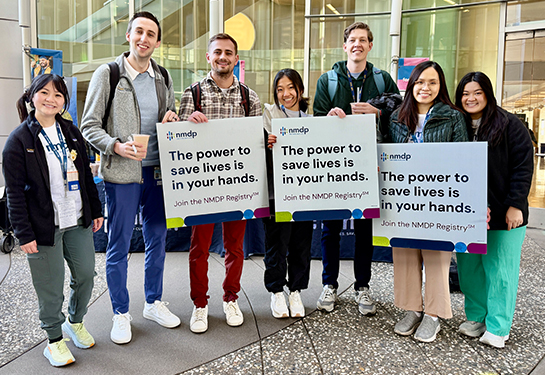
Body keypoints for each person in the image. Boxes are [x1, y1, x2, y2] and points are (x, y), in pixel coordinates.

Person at [81, 11, 181, 345]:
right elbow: (89, 126)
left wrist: (172, 116)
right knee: (119, 245)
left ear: (157, 41)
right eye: (139, 31)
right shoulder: (108, 74)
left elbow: (167, 118)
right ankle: (120, 312)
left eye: (151, 34)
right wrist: (115, 146)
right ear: (128, 35)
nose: (144, 39)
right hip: (122, 175)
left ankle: (153, 302)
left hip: (158, 173)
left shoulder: (162, 76)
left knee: (156, 240)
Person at [3, 74, 103, 367]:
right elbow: (14, 195)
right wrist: (23, 234)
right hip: (43, 227)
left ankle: (75, 321)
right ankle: (54, 339)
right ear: (31, 97)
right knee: (50, 286)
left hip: (77, 218)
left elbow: (86, 176)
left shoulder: (71, 132)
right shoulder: (19, 140)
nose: (51, 99)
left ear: (64, 102)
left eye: (58, 95)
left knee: (85, 276)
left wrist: (95, 210)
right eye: (44, 93)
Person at [313, 21, 399, 316]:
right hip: (336, 165)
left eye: (363, 40)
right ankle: (329, 284)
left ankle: (363, 285)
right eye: (353, 40)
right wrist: (330, 117)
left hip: (370, 163)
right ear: (345, 45)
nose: (357, 44)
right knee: (330, 228)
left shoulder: (383, 79)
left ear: (370, 46)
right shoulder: (328, 80)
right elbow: (316, 122)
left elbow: (400, 116)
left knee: (364, 227)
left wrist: (378, 112)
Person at [178, 33, 262, 333]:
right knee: (199, 248)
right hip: (203, 185)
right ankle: (199, 304)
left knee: (235, 248)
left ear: (236, 58)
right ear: (208, 57)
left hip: (237, 184)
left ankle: (231, 298)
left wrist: (268, 141)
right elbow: (179, 143)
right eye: (217, 52)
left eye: (228, 52)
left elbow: (258, 140)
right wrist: (188, 124)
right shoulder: (193, 94)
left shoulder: (249, 97)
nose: (223, 57)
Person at [389, 61, 468, 342]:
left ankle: (434, 315)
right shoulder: (397, 116)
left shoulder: (453, 117)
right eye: (420, 82)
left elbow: (463, 159)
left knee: (436, 257)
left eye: (432, 82)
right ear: (411, 84)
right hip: (405, 199)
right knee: (406, 254)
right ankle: (412, 309)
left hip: (439, 198)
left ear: (440, 86)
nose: (425, 87)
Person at [455, 71, 533, 348]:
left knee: (500, 270)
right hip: (466, 214)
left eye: (477, 92)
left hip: (504, 214)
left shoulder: (510, 125)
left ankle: (499, 325)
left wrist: (515, 205)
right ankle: (477, 316)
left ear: (487, 93)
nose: (471, 98)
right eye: (465, 93)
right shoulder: (458, 124)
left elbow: (523, 168)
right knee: (470, 268)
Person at [263, 69, 313, 318]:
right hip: (276, 195)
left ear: (300, 90)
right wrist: (266, 143)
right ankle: (276, 291)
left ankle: (296, 290)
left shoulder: (310, 118)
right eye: (280, 89)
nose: (286, 94)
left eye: (290, 87)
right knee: (277, 244)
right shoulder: (267, 116)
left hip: (304, 194)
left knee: (301, 243)